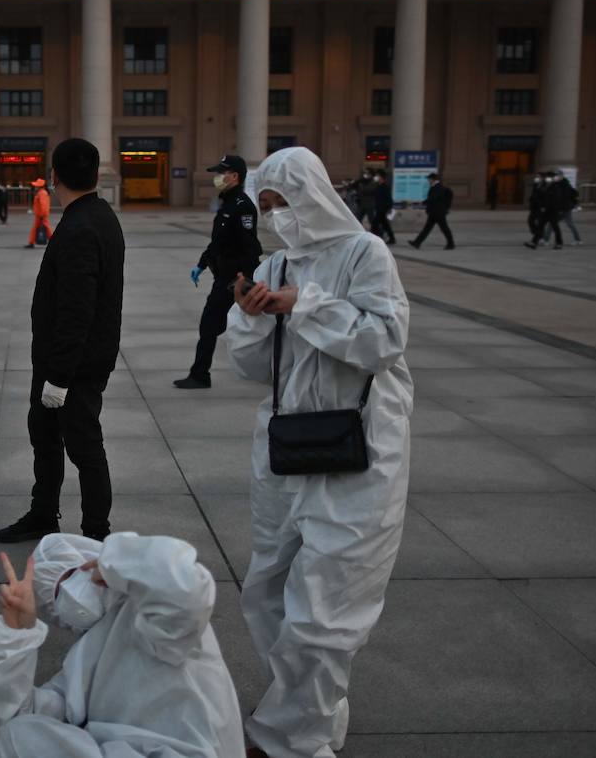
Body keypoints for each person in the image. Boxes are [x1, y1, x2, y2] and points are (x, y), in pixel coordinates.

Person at [225, 146, 412, 758]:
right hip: (286, 446)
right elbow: (255, 366)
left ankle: (284, 740)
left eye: (286, 202)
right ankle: (308, 709)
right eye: (268, 205)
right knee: (268, 590)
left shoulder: (366, 253)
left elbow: (383, 340)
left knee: (328, 606)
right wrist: (251, 313)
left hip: (359, 449)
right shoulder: (276, 265)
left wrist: (304, 306)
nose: (278, 215)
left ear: (317, 195)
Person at [0, 532, 245, 758]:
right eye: (55, 596)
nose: (67, 595)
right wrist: (17, 636)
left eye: (70, 577)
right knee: (15, 735)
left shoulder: (160, 621)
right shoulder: (83, 656)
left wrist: (119, 559)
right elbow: (19, 722)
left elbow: (185, 587)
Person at [0, 138, 125, 543]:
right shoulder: (99, 215)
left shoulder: (79, 227)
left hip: (72, 365)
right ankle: (43, 513)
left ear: (54, 177)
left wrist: (59, 377)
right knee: (45, 437)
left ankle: (95, 534)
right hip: (72, 359)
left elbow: (76, 310)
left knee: (84, 446)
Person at [174, 154, 262, 390]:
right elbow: (217, 242)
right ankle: (200, 373)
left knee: (212, 323)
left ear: (234, 176)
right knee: (217, 324)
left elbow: (251, 247)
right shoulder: (228, 204)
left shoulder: (243, 207)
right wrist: (202, 264)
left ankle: (200, 375)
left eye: (221, 174)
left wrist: (244, 278)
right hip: (222, 275)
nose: (217, 178)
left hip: (232, 278)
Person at [407, 172, 454, 249]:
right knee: (428, 229)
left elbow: (433, 199)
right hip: (435, 212)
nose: (428, 181)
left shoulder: (438, 187)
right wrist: (422, 202)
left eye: (429, 179)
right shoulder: (435, 187)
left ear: (432, 179)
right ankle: (417, 242)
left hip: (438, 213)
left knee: (444, 228)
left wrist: (423, 202)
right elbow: (432, 199)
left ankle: (451, 244)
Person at [528, 170, 566, 249]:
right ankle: (534, 243)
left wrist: (548, 207)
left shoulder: (556, 187)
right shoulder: (546, 186)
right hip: (546, 211)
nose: (548, 179)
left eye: (550, 177)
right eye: (547, 177)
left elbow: (556, 200)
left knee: (555, 227)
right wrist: (542, 206)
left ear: (553, 178)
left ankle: (559, 243)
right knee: (540, 226)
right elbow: (542, 197)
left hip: (553, 211)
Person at [543, 171, 582, 245]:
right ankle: (546, 240)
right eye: (555, 176)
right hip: (562, 208)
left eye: (557, 176)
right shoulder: (558, 184)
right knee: (555, 223)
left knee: (567, 224)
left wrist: (560, 209)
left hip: (564, 209)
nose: (556, 177)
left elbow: (565, 197)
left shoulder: (565, 185)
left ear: (561, 176)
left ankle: (546, 240)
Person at [370, 171, 396, 245]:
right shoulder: (378, 186)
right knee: (385, 224)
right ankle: (392, 238)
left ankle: (378, 237)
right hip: (378, 208)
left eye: (377, 176)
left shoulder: (385, 187)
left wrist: (390, 207)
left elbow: (389, 198)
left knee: (374, 224)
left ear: (381, 177)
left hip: (383, 208)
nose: (376, 177)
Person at [26, 178, 52, 248]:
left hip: (41, 215)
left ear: (40, 186)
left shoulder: (42, 193)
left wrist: (42, 215)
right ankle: (31, 242)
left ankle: (31, 243)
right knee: (45, 228)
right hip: (41, 215)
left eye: (36, 185)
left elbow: (43, 205)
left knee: (45, 228)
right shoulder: (42, 192)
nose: (35, 187)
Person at [525, 173, 547, 247]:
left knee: (540, 224)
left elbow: (545, 197)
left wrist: (544, 206)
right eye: (536, 177)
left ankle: (540, 238)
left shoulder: (545, 186)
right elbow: (533, 194)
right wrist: (530, 200)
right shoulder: (535, 185)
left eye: (538, 177)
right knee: (530, 221)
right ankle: (537, 235)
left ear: (542, 178)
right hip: (534, 207)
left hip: (540, 207)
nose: (536, 178)